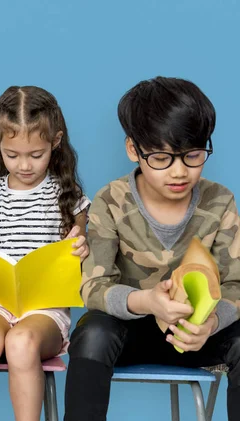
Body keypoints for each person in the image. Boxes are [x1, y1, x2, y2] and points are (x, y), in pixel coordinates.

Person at [64, 76, 240, 421]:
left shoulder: (220, 201)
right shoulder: (111, 200)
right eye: (161, 157)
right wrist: (147, 301)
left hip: (198, 335)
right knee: (92, 331)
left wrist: (212, 322)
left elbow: (235, 285)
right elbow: (94, 288)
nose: (179, 172)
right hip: (131, 330)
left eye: (193, 155)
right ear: (134, 149)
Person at [0, 86, 90, 421]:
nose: (25, 165)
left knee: (21, 342)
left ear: (55, 142)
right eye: (13, 155)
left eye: (36, 154)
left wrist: (82, 248)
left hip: (44, 310)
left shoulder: (69, 198)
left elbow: (79, 255)